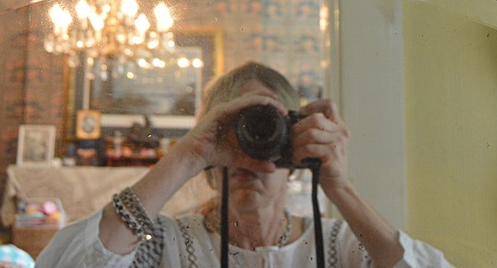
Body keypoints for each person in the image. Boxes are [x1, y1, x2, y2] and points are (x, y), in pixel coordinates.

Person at [35, 61, 454, 267]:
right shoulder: (163, 245)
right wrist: (188, 156)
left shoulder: (342, 245)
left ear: (294, 142)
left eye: (268, 130)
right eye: (233, 132)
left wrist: (340, 187)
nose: (249, 150)